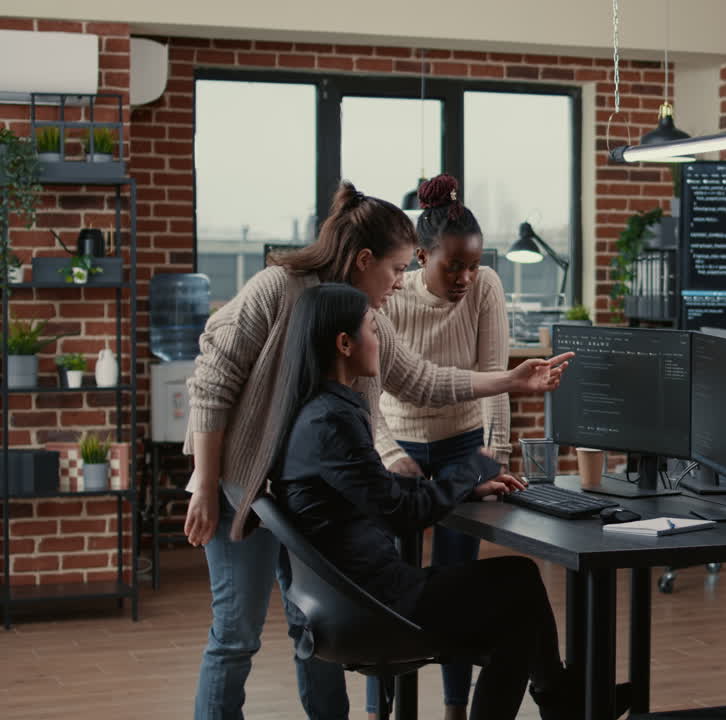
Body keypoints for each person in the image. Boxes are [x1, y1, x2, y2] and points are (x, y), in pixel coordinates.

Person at [182, 181, 572, 720]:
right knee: (236, 635)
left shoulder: (364, 315)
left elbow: (424, 382)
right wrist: (204, 483)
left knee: (311, 626)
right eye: (395, 269)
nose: (400, 282)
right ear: (364, 260)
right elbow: (212, 380)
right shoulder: (280, 288)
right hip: (239, 484)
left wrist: (509, 381)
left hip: (298, 491)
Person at [268, 283, 582, 720]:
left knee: (515, 611)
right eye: (373, 330)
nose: (380, 340)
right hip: (374, 605)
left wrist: (462, 487)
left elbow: (383, 493)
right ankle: (562, 702)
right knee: (520, 586)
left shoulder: (314, 411)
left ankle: (561, 701)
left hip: (349, 598)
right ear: (344, 344)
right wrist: (474, 467)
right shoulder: (333, 420)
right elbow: (401, 513)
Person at [362, 175, 508, 718]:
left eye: (474, 264)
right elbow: (368, 395)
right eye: (454, 267)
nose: (467, 277)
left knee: (457, 587)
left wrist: (496, 457)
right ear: (421, 256)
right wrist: (388, 454)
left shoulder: (485, 287)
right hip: (397, 445)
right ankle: (383, 708)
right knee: (391, 589)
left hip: (463, 443)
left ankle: (453, 707)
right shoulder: (389, 294)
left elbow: (496, 377)